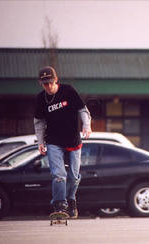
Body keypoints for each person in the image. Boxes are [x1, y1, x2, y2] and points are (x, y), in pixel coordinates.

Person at [34, 66, 92, 218]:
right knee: (59, 174)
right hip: (54, 141)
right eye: (45, 84)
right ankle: (59, 204)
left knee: (73, 176)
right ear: (41, 83)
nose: (48, 86)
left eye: (51, 82)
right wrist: (40, 141)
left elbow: (82, 110)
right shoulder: (40, 99)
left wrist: (86, 125)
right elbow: (39, 122)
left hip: (73, 140)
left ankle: (71, 199)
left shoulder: (68, 91)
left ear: (56, 80)